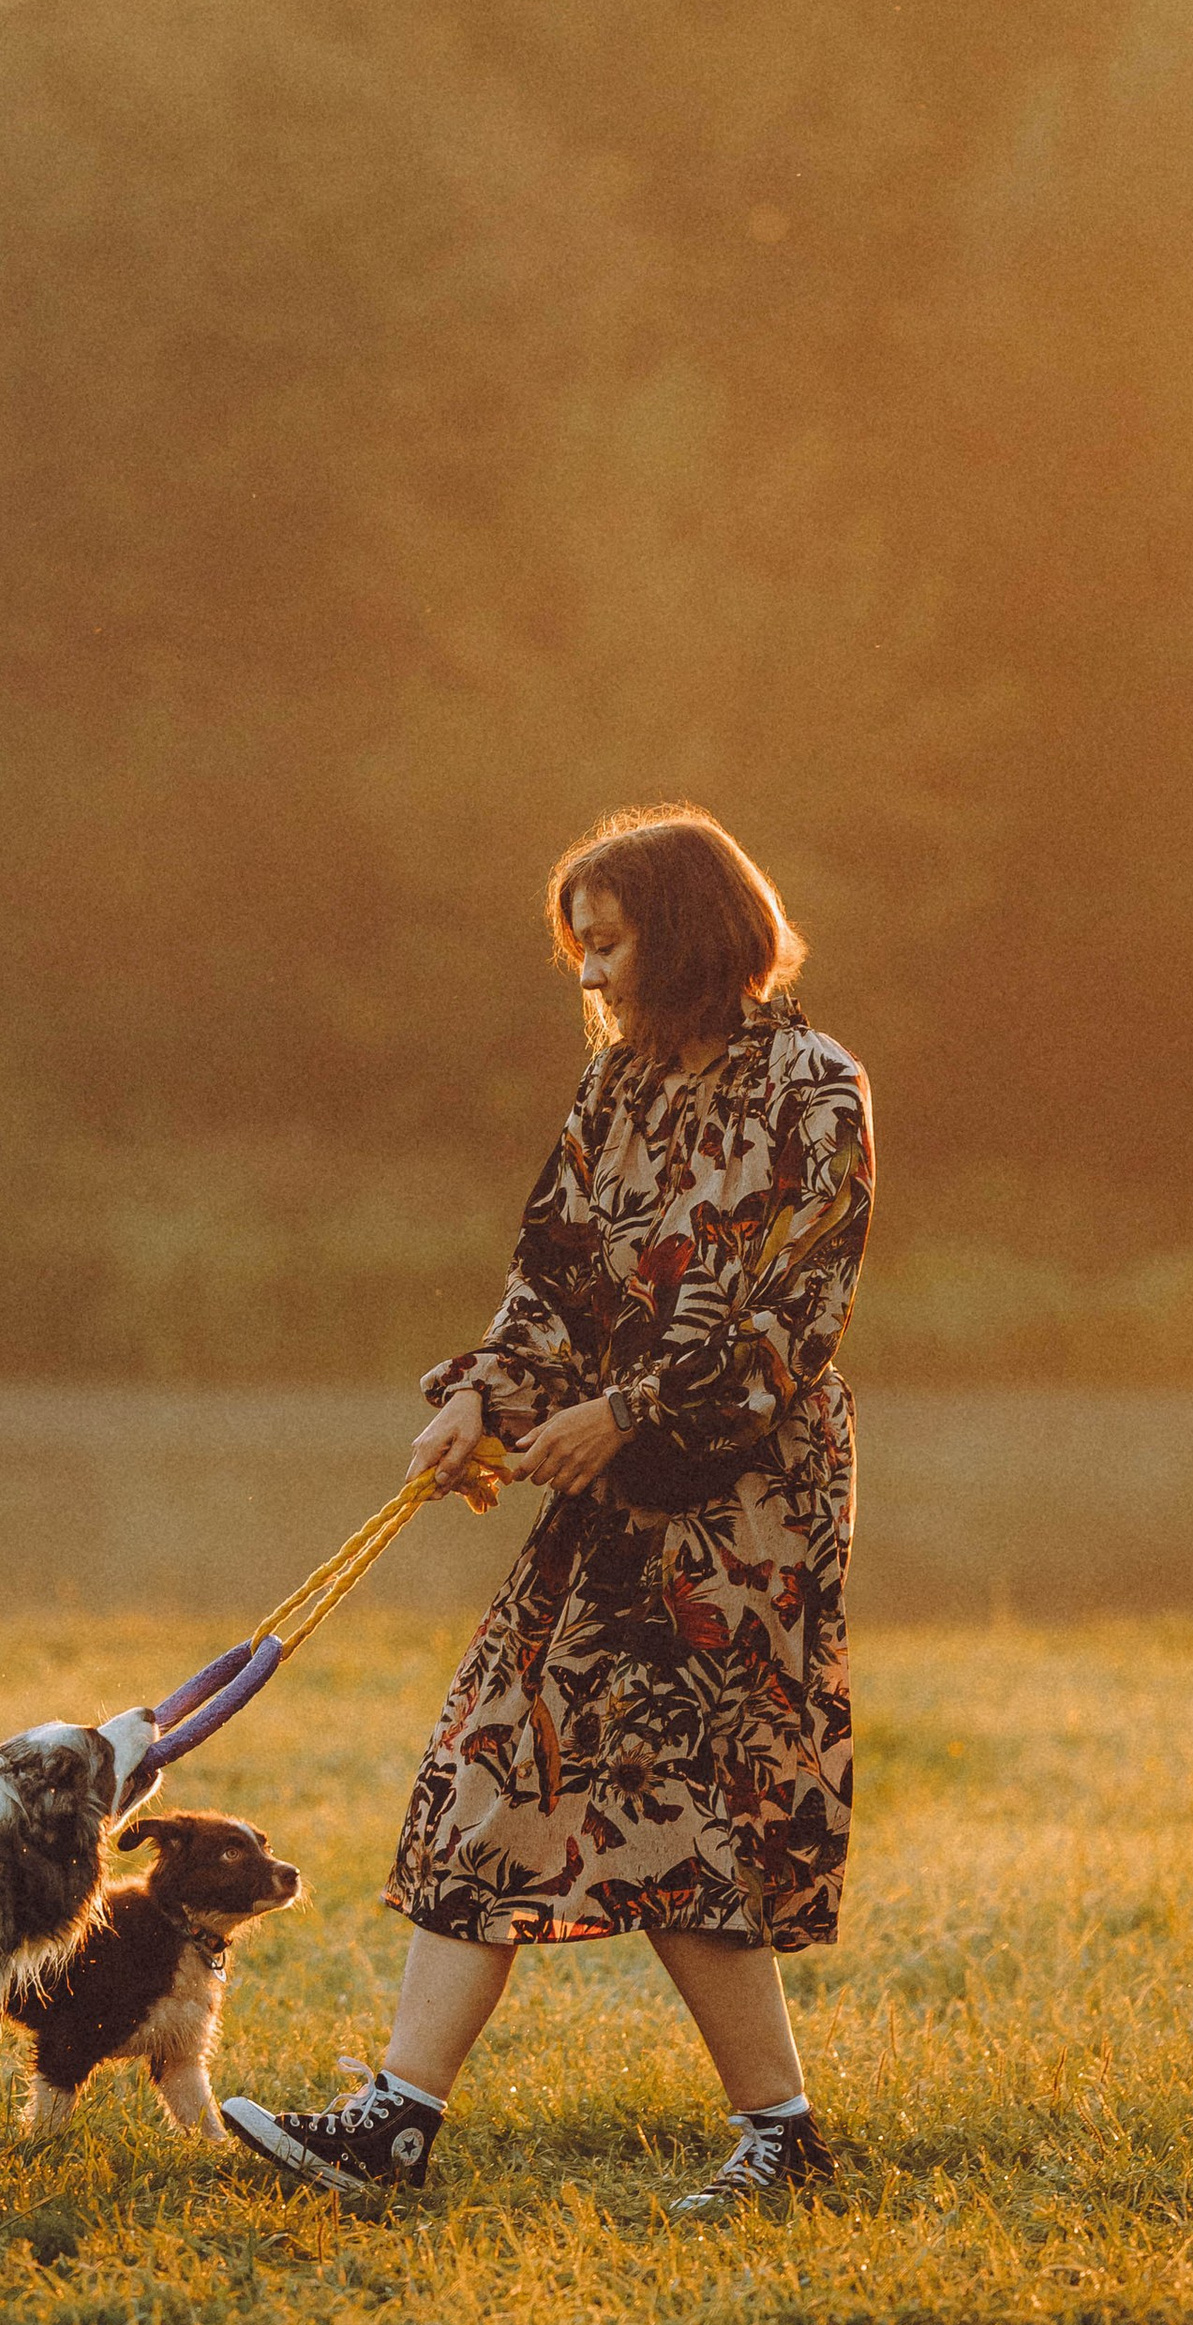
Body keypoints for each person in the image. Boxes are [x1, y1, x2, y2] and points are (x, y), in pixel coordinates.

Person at [223, 806, 874, 2219]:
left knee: (670, 1804)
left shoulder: (815, 1088)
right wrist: (485, 1395)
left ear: (689, 932)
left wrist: (628, 1412)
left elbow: (791, 1317)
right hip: (605, 1482)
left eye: (611, 945)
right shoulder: (618, 1087)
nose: (590, 977)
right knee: (492, 1767)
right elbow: (555, 1274)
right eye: (580, 950)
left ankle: (782, 2140)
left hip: (740, 1504)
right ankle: (400, 2124)